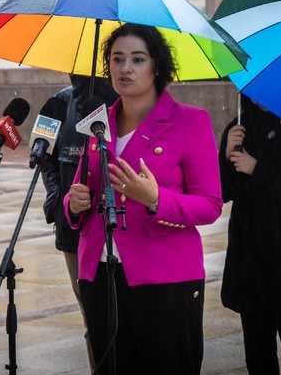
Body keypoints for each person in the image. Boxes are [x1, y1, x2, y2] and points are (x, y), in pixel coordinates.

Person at [65, 23, 223, 375]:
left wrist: (155, 199)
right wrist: (74, 204)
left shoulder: (189, 121)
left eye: (138, 59)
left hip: (164, 279)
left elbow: (210, 204)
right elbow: (80, 189)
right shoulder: (98, 123)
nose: (125, 68)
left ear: (157, 66)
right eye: (117, 59)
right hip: (101, 275)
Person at [218, 96, 281, 375]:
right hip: (250, 255)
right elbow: (224, 192)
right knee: (257, 351)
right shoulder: (239, 128)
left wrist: (257, 168)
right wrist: (226, 154)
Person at [40, 73, 118, 372]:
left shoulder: (122, 100)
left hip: (116, 227)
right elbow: (44, 158)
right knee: (93, 318)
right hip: (73, 230)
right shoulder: (57, 103)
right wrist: (56, 199)